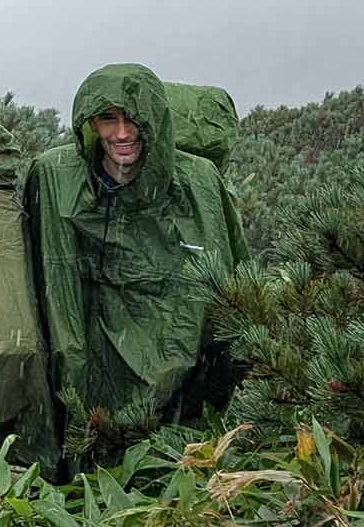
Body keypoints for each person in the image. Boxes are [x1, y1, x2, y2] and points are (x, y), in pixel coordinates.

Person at [26, 64, 248, 444]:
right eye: (108, 119)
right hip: (87, 361)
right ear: (90, 124)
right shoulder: (55, 177)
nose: (122, 133)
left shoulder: (196, 184)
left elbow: (229, 282)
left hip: (172, 380)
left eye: (133, 120)